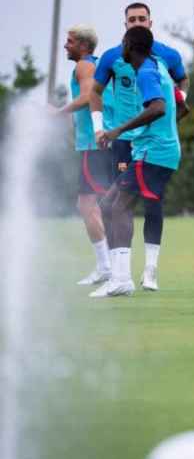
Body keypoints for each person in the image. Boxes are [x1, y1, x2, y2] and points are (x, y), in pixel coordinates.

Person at [89, 2, 189, 292]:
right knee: (111, 204)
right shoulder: (155, 66)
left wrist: (120, 128)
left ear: (129, 45)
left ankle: (123, 279)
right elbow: (173, 107)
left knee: (117, 205)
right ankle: (120, 278)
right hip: (155, 151)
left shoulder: (146, 71)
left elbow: (157, 107)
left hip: (152, 153)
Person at [57, 24, 115, 286]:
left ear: (82, 44)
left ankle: (106, 268)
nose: (65, 45)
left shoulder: (84, 65)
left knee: (87, 204)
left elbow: (88, 96)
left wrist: (57, 112)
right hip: (94, 145)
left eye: (69, 41)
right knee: (98, 205)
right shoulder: (94, 64)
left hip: (93, 146)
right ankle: (108, 266)